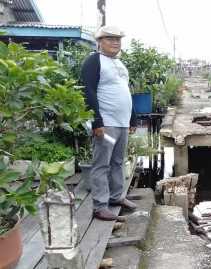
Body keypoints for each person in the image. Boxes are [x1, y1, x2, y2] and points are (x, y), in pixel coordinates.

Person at [81, 26, 137, 221]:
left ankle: (115, 197)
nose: (115, 42)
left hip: (121, 122)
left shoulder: (119, 63)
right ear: (99, 42)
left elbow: (125, 91)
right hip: (106, 122)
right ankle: (99, 206)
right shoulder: (94, 60)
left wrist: (132, 117)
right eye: (110, 39)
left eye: (118, 39)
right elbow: (87, 91)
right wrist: (96, 121)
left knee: (118, 162)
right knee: (101, 164)